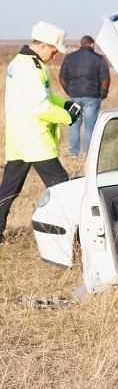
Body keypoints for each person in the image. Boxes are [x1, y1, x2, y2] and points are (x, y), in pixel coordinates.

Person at [0, 21, 80, 244]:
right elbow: (40, 107)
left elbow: (43, 97)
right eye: (54, 51)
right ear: (44, 45)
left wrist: (66, 104)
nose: (54, 56)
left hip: (19, 137)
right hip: (34, 138)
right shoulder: (31, 68)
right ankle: (73, 235)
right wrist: (67, 117)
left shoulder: (21, 62)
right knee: (62, 186)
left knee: (9, 189)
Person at [59, 35, 110, 157]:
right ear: (92, 44)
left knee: (74, 125)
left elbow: (61, 78)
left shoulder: (69, 58)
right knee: (89, 126)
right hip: (92, 97)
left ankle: (73, 153)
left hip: (74, 96)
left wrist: (69, 91)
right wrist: (102, 94)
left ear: (80, 45)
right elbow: (105, 79)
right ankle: (86, 154)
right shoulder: (99, 59)